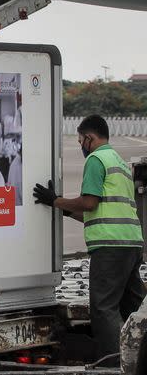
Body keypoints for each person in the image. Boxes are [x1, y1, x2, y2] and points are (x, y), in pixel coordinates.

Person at [34, 114, 145, 361]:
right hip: (131, 244)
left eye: (80, 140)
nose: (81, 146)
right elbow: (98, 213)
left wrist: (55, 199)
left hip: (109, 248)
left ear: (89, 138)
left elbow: (89, 202)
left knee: (103, 308)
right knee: (133, 309)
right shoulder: (118, 160)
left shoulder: (96, 160)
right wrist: (62, 208)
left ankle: (112, 369)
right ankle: (139, 364)